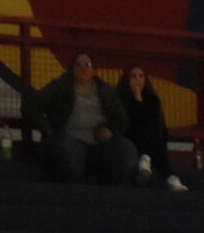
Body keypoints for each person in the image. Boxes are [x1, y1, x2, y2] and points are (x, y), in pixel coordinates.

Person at [31, 53, 138, 185]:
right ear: (71, 69)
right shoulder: (59, 87)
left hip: (101, 145)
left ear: (94, 70)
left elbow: (122, 118)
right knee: (68, 153)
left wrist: (112, 131)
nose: (83, 68)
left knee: (127, 149)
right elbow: (32, 106)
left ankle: (117, 196)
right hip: (70, 141)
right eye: (79, 65)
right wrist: (48, 130)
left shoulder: (106, 91)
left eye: (87, 65)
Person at [113, 64, 186, 191]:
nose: (137, 80)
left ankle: (154, 166)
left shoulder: (152, 99)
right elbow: (128, 123)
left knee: (155, 139)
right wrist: (137, 99)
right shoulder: (120, 99)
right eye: (133, 76)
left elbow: (158, 125)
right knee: (145, 129)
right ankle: (167, 176)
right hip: (130, 137)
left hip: (151, 140)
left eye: (141, 76)